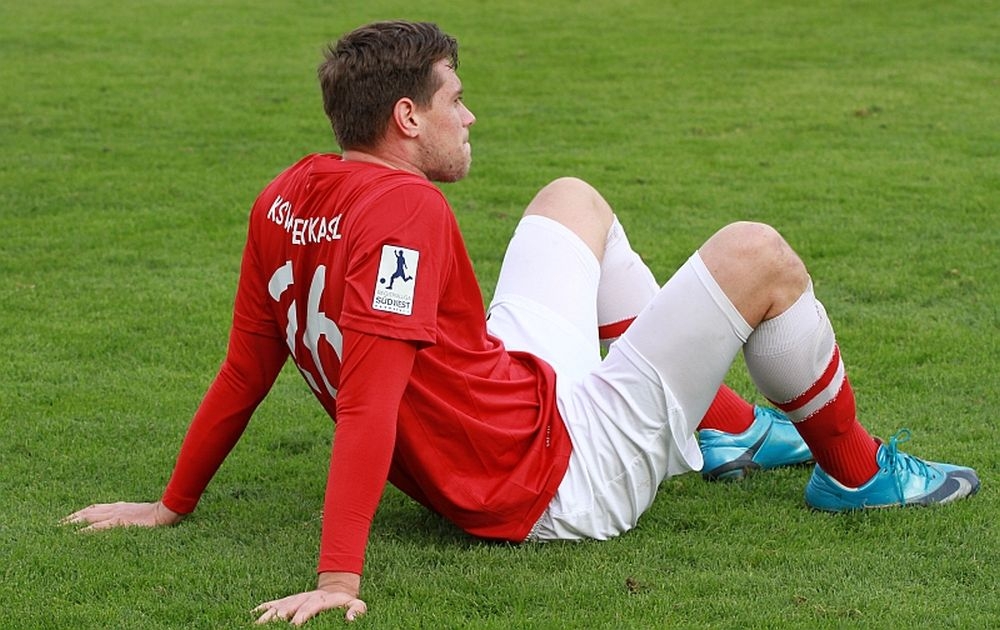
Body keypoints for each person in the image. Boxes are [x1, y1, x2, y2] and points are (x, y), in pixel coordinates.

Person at [63, 20, 979, 626]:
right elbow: (368, 404)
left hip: (517, 398)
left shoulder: (284, 195)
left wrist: (172, 503)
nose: (471, 115)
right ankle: (856, 475)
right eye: (455, 99)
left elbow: (245, 370)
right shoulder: (407, 214)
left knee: (571, 198)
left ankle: (725, 430)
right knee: (759, 256)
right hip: (555, 481)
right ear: (407, 116)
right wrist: (338, 578)